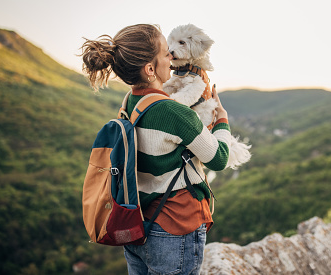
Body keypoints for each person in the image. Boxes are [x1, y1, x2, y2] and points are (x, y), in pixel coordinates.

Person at [80, 24, 231, 275]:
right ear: (150, 69)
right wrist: (222, 120)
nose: (171, 56)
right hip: (175, 227)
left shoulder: (131, 101)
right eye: (165, 53)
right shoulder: (173, 112)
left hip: (137, 224)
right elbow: (219, 159)